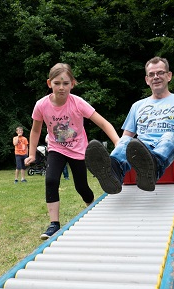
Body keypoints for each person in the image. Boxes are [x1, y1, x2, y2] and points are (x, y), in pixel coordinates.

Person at [24, 63, 119, 240]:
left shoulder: (78, 103)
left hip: (78, 150)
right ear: (49, 83)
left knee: (81, 186)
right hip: (56, 148)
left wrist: (117, 142)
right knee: (51, 179)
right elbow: (35, 130)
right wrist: (31, 154)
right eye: (57, 83)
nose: (61, 87)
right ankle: (54, 224)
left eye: (66, 83)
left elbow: (103, 123)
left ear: (72, 84)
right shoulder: (41, 105)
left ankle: (91, 207)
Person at [85, 56, 174, 194]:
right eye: (151, 74)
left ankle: (153, 169)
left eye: (160, 73)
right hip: (141, 150)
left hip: (170, 144)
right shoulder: (137, 106)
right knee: (128, 141)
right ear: (147, 80)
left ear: (169, 76)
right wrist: (118, 149)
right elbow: (125, 138)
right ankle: (113, 172)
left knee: (168, 136)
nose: (156, 77)